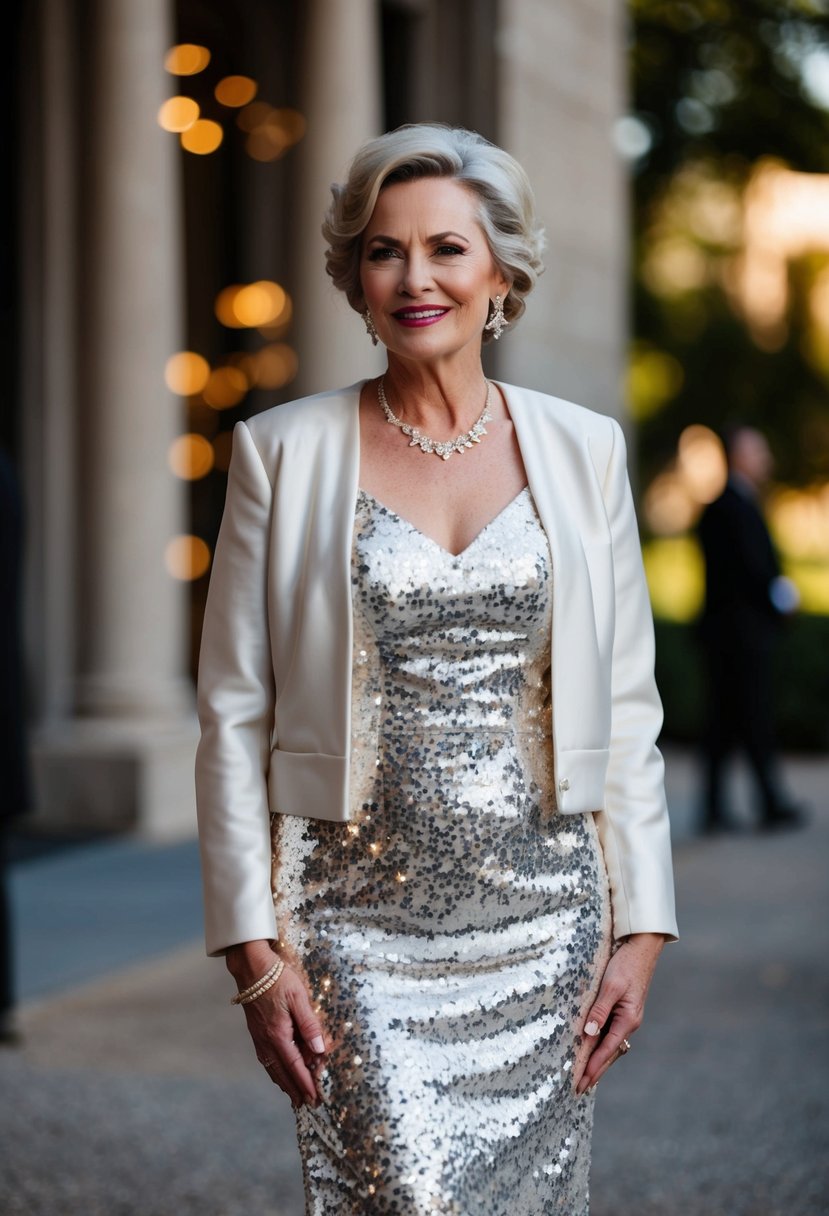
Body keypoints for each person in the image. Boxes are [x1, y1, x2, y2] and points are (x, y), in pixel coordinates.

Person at [195, 123, 677, 1214]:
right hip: (351, 924)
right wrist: (251, 952)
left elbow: (626, 704)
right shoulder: (282, 451)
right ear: (354, 278)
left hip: (547, 914)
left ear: (499, 269)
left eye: (446, 248)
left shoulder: (582, 447)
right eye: (383, 250)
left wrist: (639, 927)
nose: (415, 277)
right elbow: (231, 711)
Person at [697, 425, 803, 833]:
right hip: (737, 636)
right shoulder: (726, 507)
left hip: (738, 634)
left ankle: (718, 808)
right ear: (738, 455)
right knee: (746, 718)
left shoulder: (740, 504)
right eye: (756, 451)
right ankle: (766, 802)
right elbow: (749, 573)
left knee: (726, 722)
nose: (765, 458)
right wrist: (780, 601)